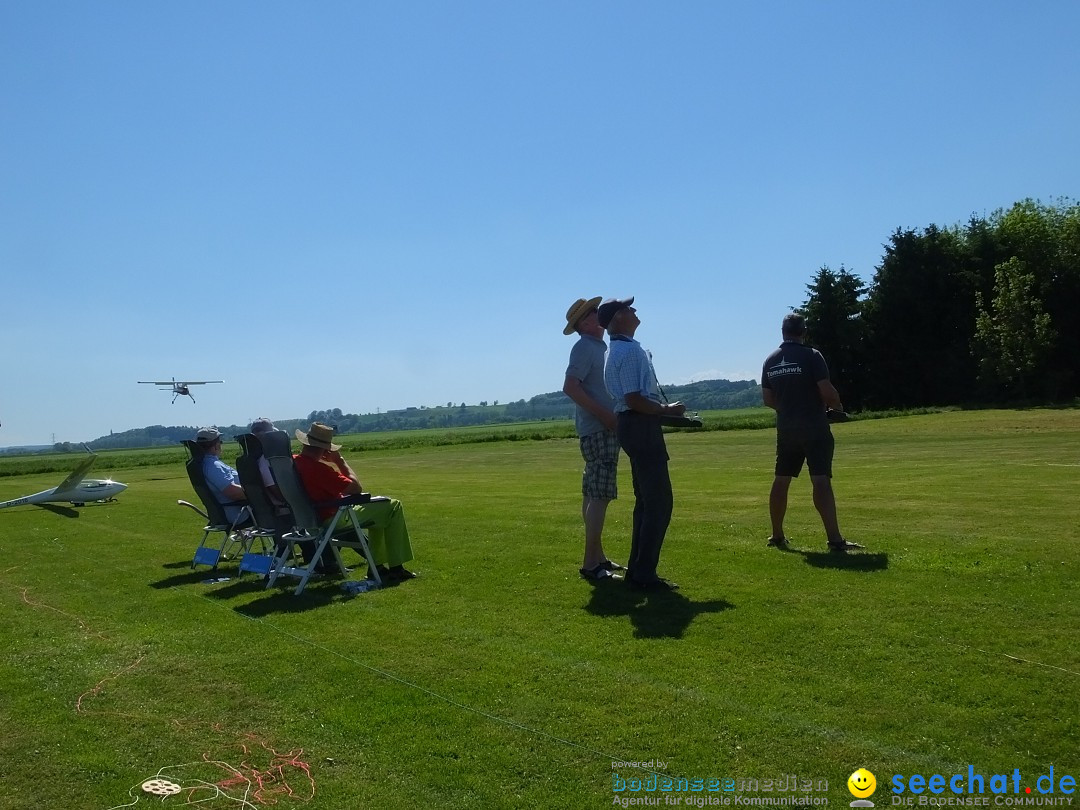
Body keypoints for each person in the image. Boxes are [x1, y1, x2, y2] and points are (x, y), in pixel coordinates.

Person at [600, 297, 685, 591]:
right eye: (627, 309)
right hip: (640, 426)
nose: (634, 311)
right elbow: (636, 400)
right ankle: (644, 573)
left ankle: (639, 570)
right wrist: (667, 410)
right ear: (617, 320)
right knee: (659, 503)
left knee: (646, 502)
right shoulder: (631, 351)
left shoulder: (617, 349)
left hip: (631, 425)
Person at [761, 312, 860, 553]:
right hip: (814, 427)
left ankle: (777, 535)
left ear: (783, 332)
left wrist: (788, 409)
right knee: (820, 479)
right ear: (803, 332)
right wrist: (836, 407)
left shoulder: (770, 360)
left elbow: (768, 399)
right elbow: (826, 390)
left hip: (786, 429)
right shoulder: (812, 356)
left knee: (781, 479)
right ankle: (835, 539)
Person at [291, 422, 417, 581]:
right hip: (333, 517)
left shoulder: (294, 462)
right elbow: (356, 488)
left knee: (381, 515)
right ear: (326, 449)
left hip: (310, 518)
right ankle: (395, 567)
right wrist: (340, 461)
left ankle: (378, 568)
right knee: (393, 506)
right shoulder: (319, 470)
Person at [562, 296, 624, 581]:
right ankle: (590, 564)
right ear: (585, 322)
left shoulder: (595, 346)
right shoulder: (585, 347)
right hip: (599, 430)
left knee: (592, 492)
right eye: (595, 312)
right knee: (600, 494)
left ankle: (598, 557)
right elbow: (570, 387)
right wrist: (605, 416)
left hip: (596, 429)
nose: (600, 315)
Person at [194, 426, 249, 525]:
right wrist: (258, 492)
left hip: (226, 512)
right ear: (216, 445)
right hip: (239, 514)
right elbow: (232, 492)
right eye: (220, 442)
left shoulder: (202, 464)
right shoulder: (212, 466)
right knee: (280, 512)